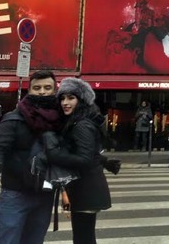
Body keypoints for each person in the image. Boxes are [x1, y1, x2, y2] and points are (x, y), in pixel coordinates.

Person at [0, 70, 63, 244]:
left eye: (47, 87)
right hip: (16, 192)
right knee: (8, 240)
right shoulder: (13, 119)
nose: (42, 91)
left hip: (45, 193)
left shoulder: (60, 120)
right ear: (29, 91)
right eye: (37, 88)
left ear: (54, 90)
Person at [42, 77, 112, 244]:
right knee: (83, 236)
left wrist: (53, 155)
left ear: (82, 100)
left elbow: (84, 159)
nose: (65, 102)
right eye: (63, 98)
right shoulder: (77, 121)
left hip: (86, 189)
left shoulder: (81, 125)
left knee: (83, 237)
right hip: (84, 188)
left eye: (71, 98)